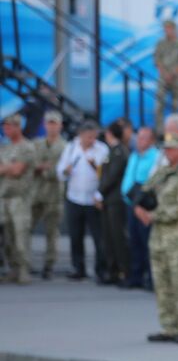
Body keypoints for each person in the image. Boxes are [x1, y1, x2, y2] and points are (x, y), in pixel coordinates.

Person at [134, 134, 178, 344]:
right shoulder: (163, 172)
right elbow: (145, 190)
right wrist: (139, 206)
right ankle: (169, 326)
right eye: (166, 149)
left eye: (171, 149)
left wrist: (153, 215)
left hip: (177, 236)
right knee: (162, 282)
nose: (167, 152)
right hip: (159, 236)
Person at [57, 120, 109, 281]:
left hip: (93, 199)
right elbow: (59, 171)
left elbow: (106, 175)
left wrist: (95, 166)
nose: (91, 140)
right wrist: (65, 171)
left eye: (94, 137)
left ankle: (101, 269)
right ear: (80, 135)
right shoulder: (71, 148)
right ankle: (78, 267)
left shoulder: (102, 149)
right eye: (88, 137)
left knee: (98, 236)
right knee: (75, 235)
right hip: (74, 198)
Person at [120, 125, 160, 289]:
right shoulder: (134, 156)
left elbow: (152, 182)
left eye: (143, 138)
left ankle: (152, 278)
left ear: (151, 141)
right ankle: (136, 276)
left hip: (144, 206)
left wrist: (140, 204)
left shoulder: (156, 156)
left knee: (147, 242)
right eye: (138, 137)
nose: (139, 141)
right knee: (134, 241)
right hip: (130, 204)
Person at [0, 114, 36, 284]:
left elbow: (18, 171)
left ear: (18, 127)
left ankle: (23, 270)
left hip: (20, 198)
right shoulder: (4, 148)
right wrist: (9, 167)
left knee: (21, 235)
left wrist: (6, 168)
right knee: (8, 237)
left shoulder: (27, 147)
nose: (6, 129)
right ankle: (13, 269)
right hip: (4, 197)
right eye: (4, 126)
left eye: (9, 126)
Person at [31, 110, 65, 279]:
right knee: (24, 228)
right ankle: (23, 262)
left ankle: (49, 264)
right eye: (49, 123)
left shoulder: (65, 146)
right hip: (36, 193)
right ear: (44, 125)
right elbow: (31, 164)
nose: (51, 127)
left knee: (52, 232)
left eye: (55, 123)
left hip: (54, 195)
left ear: (60, 125)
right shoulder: (37, 143)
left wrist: (44, 168)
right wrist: (45, 167)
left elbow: (58, 171)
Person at [98, 120, 130, 285]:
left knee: (118, 237)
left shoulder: (119, 151)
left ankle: (124, 271)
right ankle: (112, 271)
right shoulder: (111, 151)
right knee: (108, 237)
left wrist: (99, 193)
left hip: (115, 199)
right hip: (108, 199)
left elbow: (112, 176)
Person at [154, 19, 178, 120]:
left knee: (176, 106)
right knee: (159, 105)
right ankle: (160, 131)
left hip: (176, 78)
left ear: (174, 29)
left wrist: (173, 73)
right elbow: (157, 59)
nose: (167, 31)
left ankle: (175, 131)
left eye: (169, 28)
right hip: (163, 78)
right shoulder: (160, 43)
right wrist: (164, 73)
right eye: (165, 28)